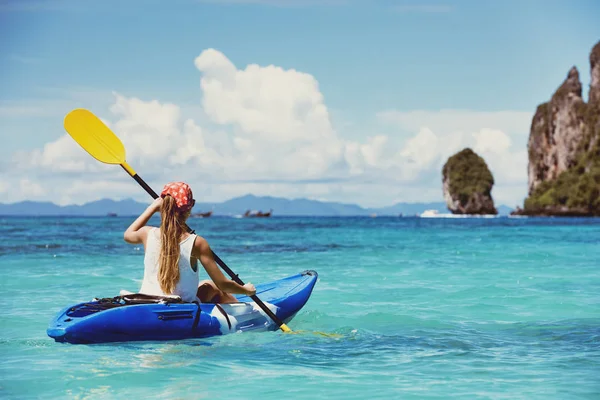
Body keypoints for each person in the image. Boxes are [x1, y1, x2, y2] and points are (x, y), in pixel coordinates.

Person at [123, 181, 256, 303]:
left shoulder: (147, 233)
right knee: (215, 287)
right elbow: (223, 284)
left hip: (147, 301)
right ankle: (244, 312)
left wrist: (152, 207)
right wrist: (246, 290)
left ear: (162, 206)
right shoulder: (197, 242)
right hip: (183, 306)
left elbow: (128, 235)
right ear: (189, 207)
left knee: (206, 285)